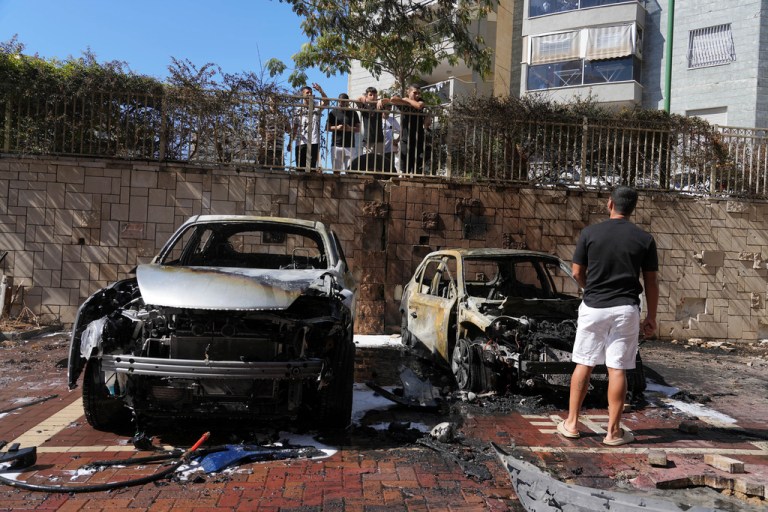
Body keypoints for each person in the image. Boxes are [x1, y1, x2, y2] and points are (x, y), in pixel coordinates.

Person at [558, 186, 658, 447]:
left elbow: (577, 271)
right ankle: (613, 433)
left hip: (593, 307)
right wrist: (652, 316)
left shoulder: (590, 233)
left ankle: (571, 424)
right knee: (618, 368)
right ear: (632, 208)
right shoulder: (644, 239)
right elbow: (651, 282)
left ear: (609, 203)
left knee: (584, 363)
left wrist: (589, 288)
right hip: (626, 308)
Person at [386, 85, 427, 174]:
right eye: (415, 93)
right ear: (408, 92)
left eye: (418, 93)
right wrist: (404, 101)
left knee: (417, 168)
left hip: (418, 138)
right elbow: (393, 99)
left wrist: (407, 100)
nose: (417, 95)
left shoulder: (421, 101)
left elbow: (419, 106)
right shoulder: (403, 103)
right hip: (405, 139)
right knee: (404, 168)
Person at [291, 83, 328, 171]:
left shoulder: (316, 104)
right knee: (300, 168)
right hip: (301, 142)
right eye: (307, 93)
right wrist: (290, 142)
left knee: (311, 169)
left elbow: (326, 102)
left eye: (311, 92)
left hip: (313, 141)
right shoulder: (297, 109)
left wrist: (320, 91)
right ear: (302, 95)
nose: (309, 94)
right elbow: (295, 127)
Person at [326, 93, 360, 172]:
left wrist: (350, 128)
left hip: (350, 146)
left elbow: (358, 129)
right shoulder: (333, 112)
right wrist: (337, 127)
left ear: (348, 102)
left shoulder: (353, 113)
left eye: (344, 102)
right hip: (337, 145)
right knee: (336, 171)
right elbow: (327, 127)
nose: (342, 103)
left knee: (350, 170)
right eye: (340, 102)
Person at [355, 87, 386, 157]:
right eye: (370, 95)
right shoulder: (364, 107)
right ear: (367, 96)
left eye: (375, 95)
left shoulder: (379, 105)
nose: (373, 97)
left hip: (379, 139)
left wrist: (381, 100)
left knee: (379, 163)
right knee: (367, 163)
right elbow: (357, 100)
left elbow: (388, 101)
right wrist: (363, 97)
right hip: (368, 139)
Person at [382, 108, 401, 173]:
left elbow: (401, 131)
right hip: (379, 147)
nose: (389, 108)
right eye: (388, 106)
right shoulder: (378, 118)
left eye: (390, 106)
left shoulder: (392, 119)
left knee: (390, 166)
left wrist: (397, 140)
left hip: (389, 148)